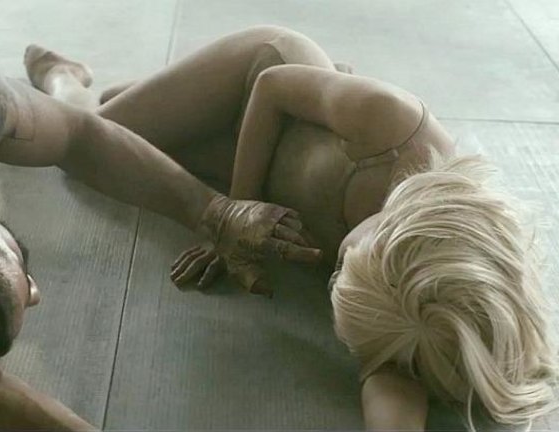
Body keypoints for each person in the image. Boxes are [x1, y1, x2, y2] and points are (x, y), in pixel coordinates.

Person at [0, 0, 321, 430]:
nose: (36, 291)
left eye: (22, 278)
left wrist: (217, 213)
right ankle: (61, 76)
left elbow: (78, 135)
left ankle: (62, 77)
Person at [27, 26, 559, 430]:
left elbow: (391, 373)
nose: (335, 271)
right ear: (398, 229)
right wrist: (228, 216)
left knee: (144, 142)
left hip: (270, 168)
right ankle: (62, 77)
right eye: (345, 265)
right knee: (89, 142)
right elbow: (272, 87)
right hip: (259, 88)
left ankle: (161, 101)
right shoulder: (395, 123)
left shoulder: (422, 314)